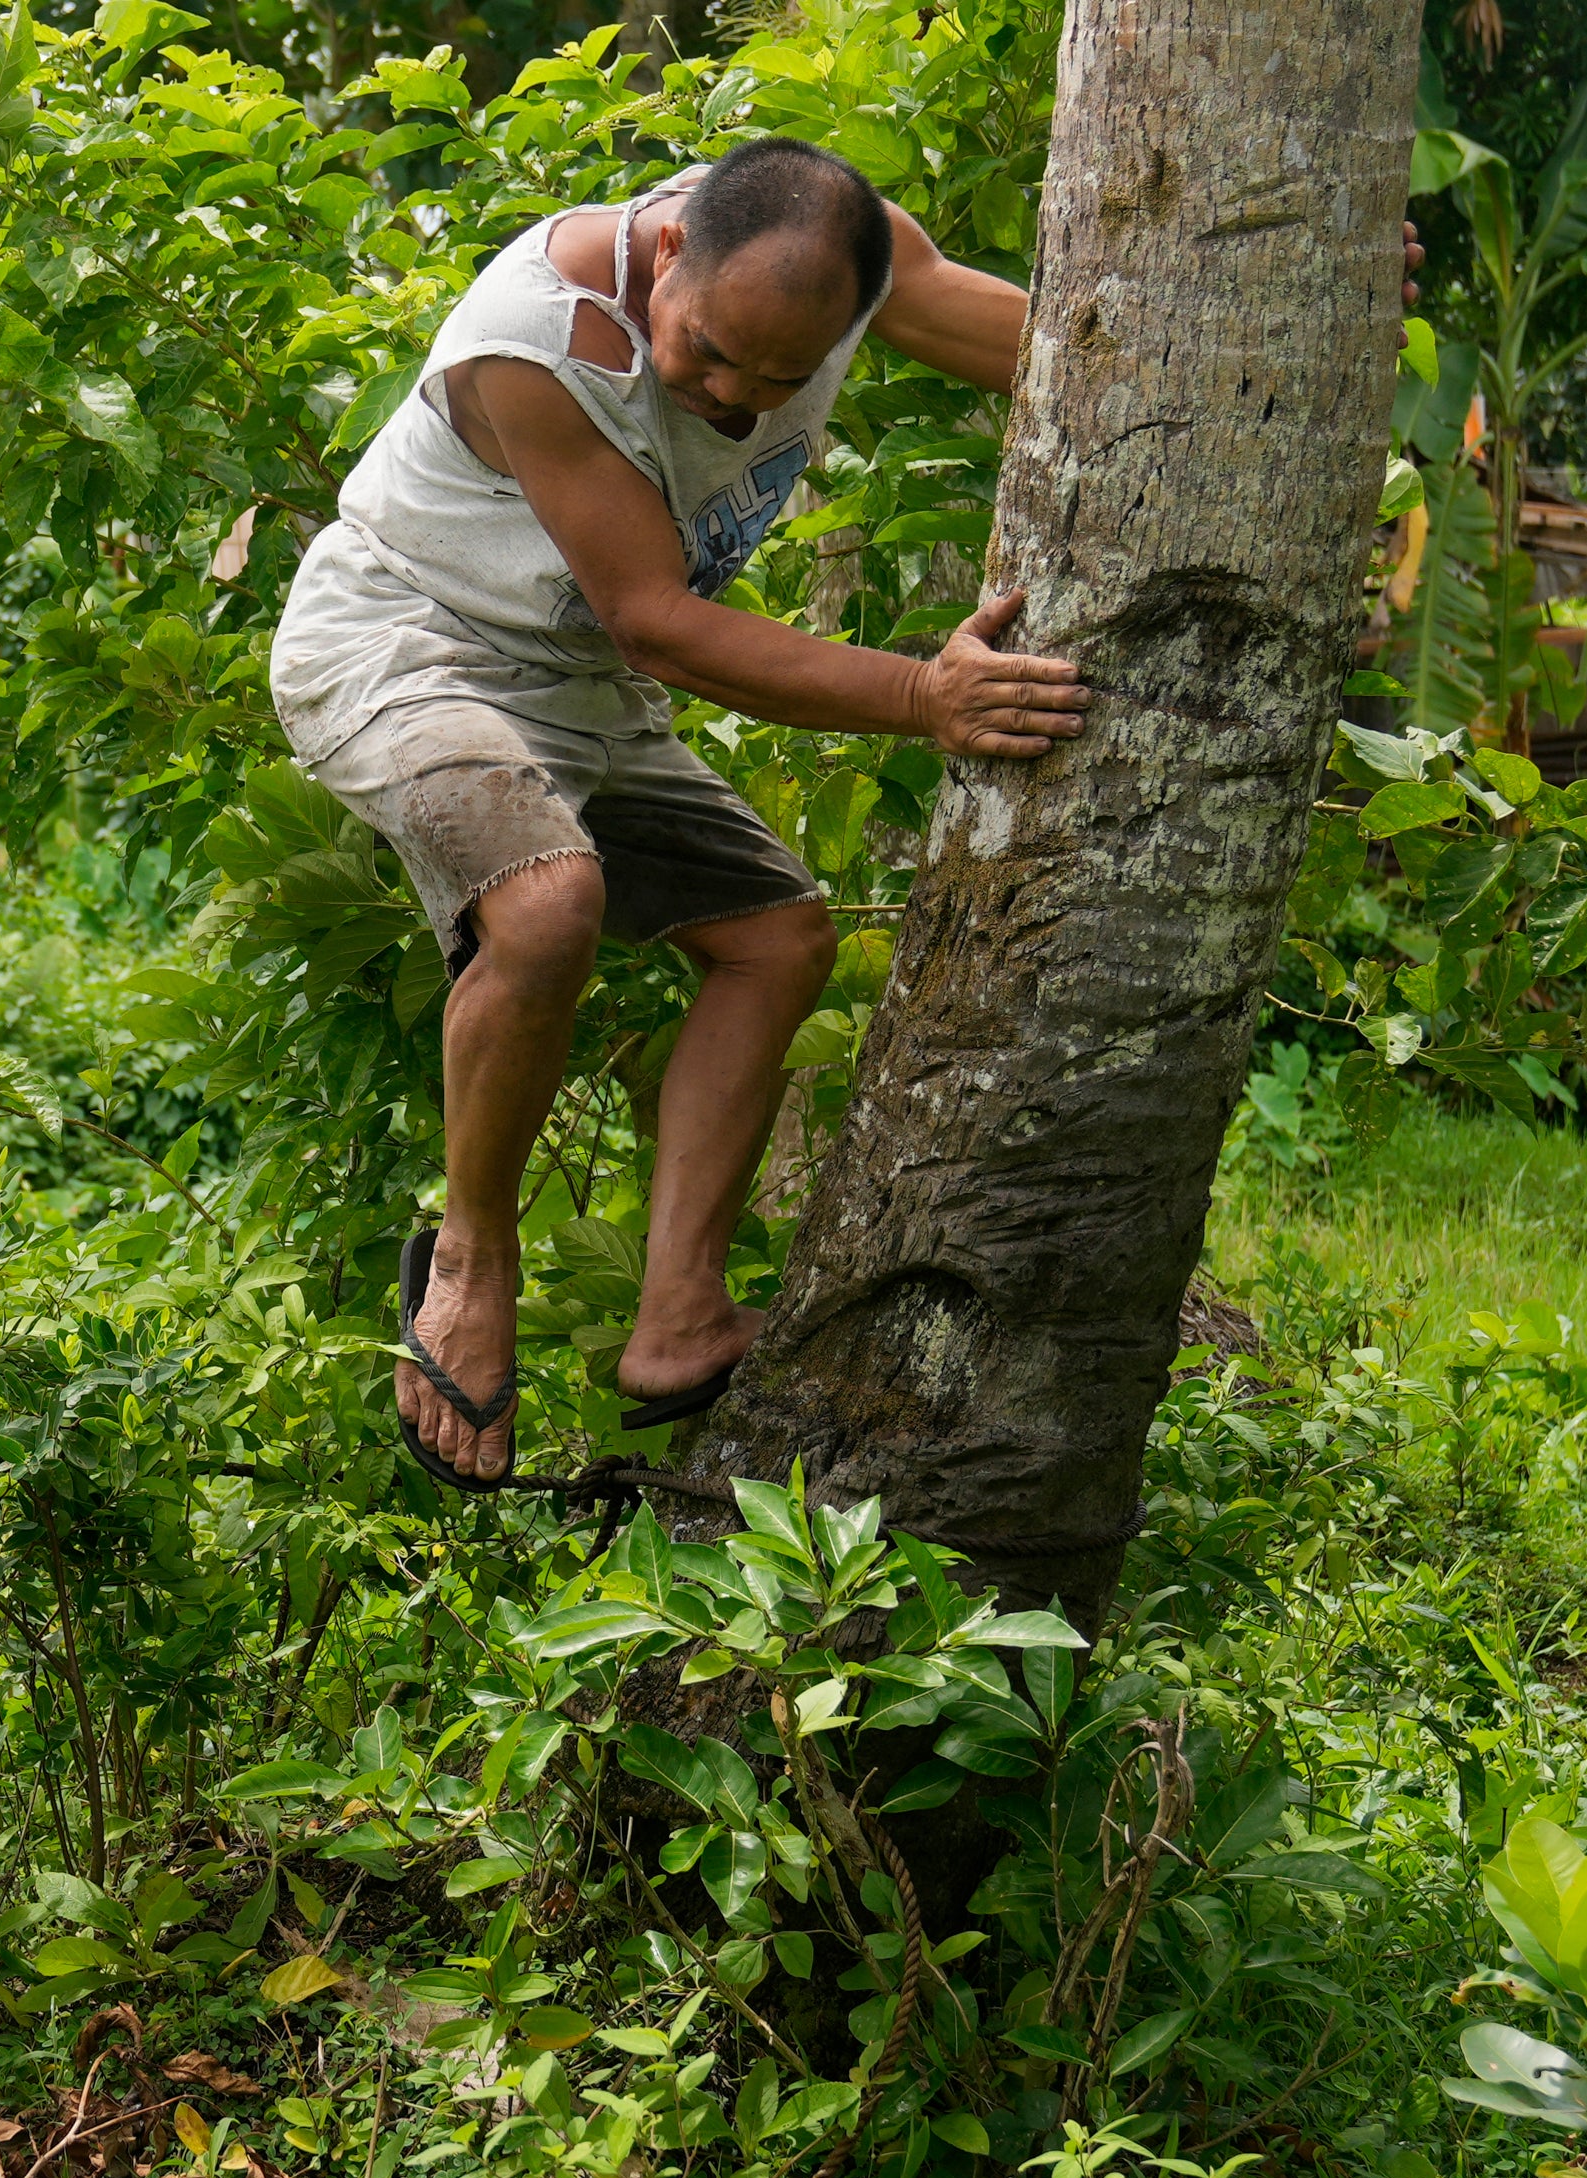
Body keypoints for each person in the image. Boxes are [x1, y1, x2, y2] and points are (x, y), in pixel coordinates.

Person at [271, 137, 1085, 1491]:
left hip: (573, 679)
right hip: (411, 647)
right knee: (548, 905)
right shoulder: (536, 345)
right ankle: (470, 1263)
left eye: (783, 377)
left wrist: (1306, 300)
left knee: (778, 939)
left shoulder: (833, 255)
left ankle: (678, 1317)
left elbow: (1053, 354)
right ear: (664, 256)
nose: (738, 398)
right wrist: (920, 694)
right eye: (709, 355)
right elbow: (659, 622)